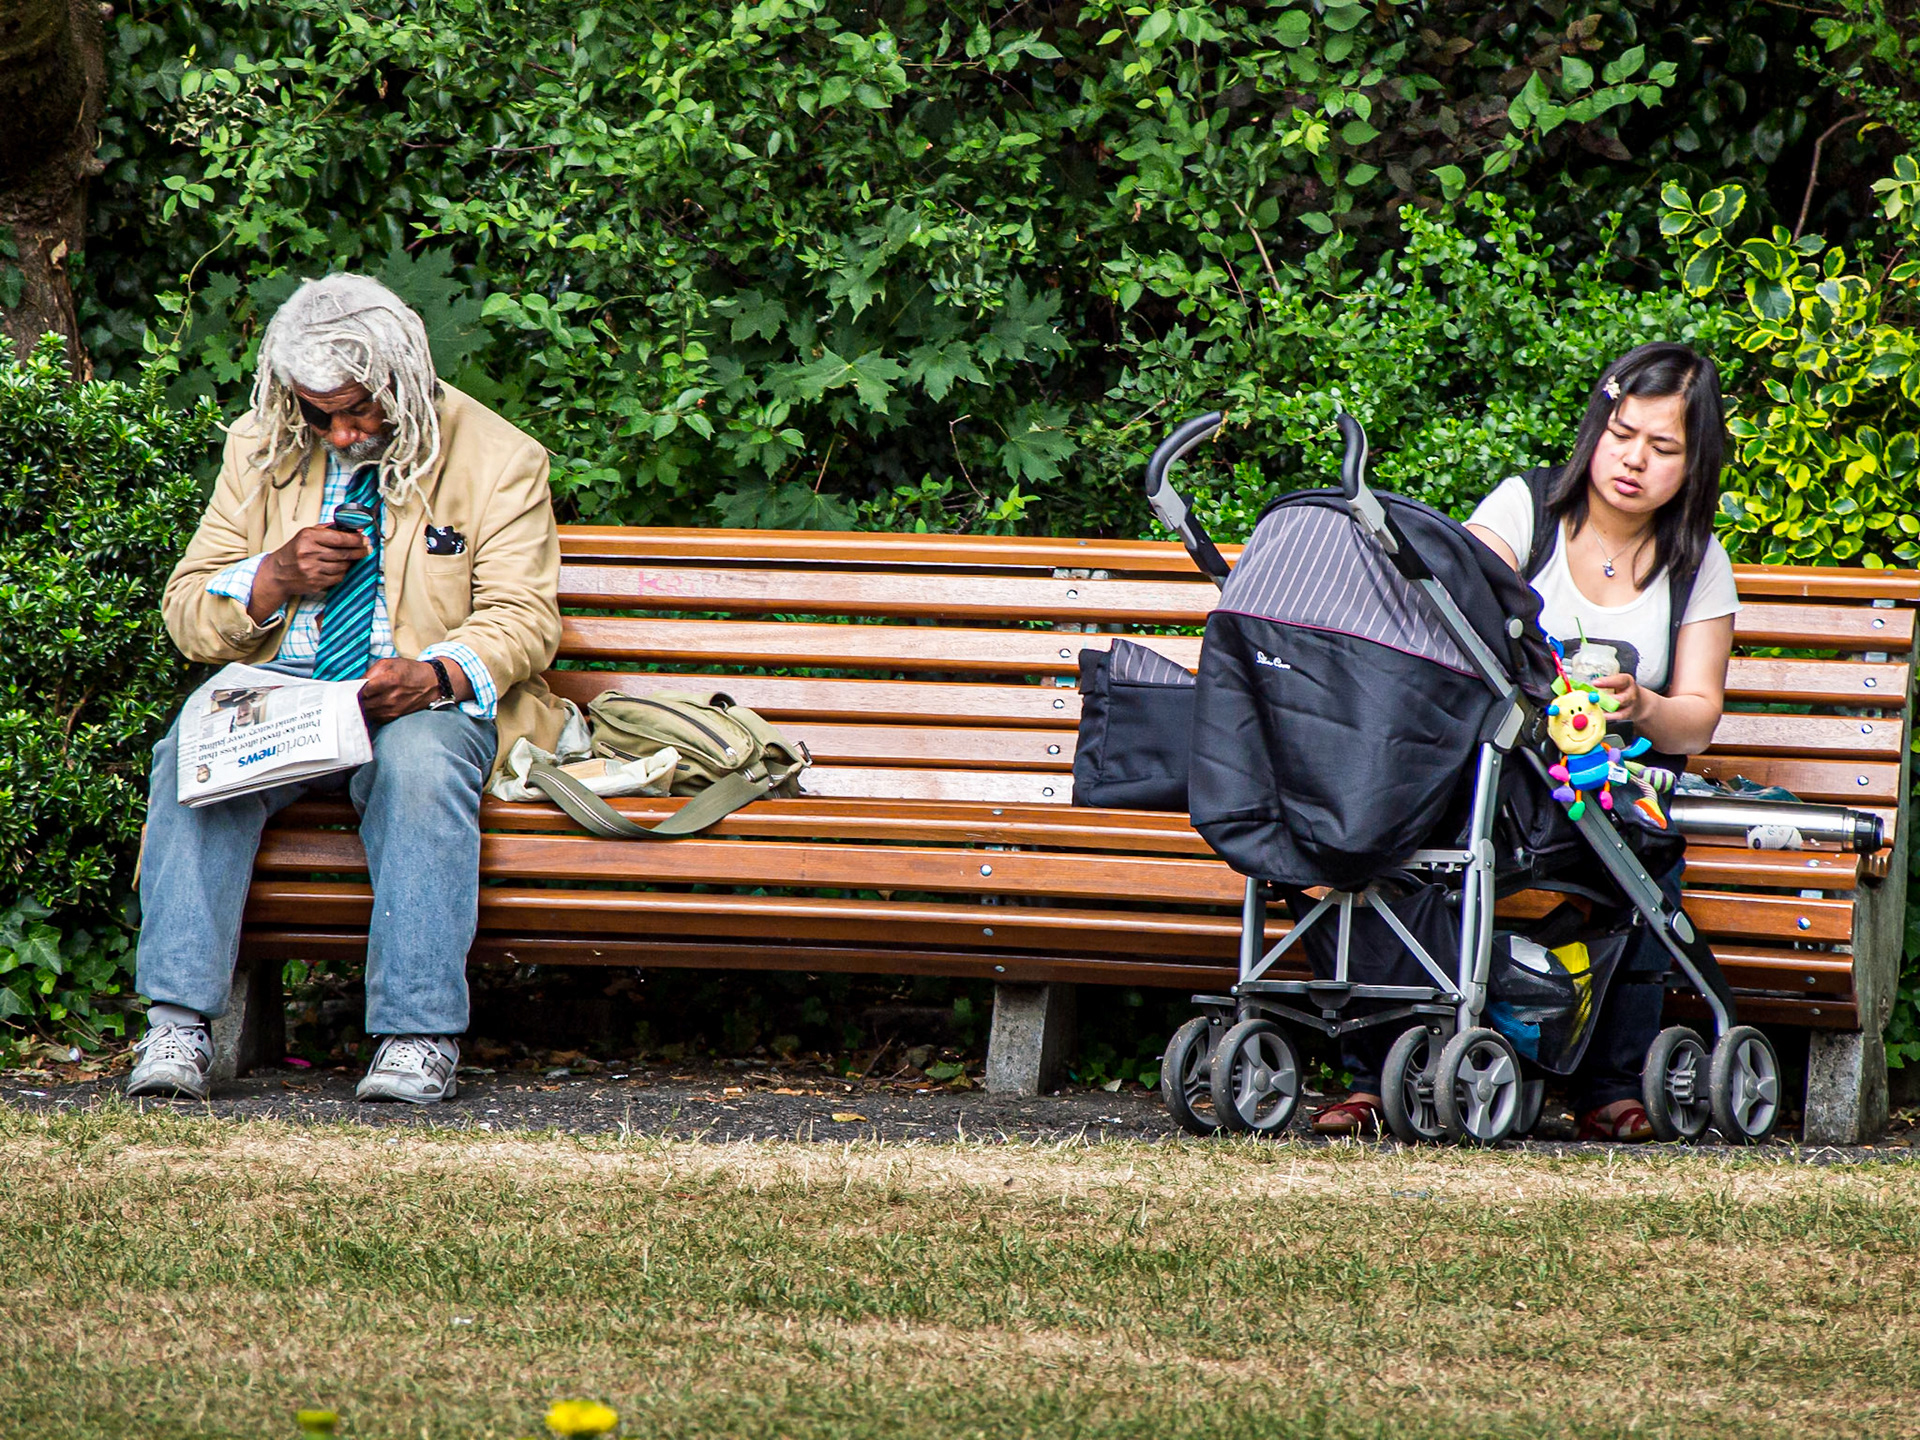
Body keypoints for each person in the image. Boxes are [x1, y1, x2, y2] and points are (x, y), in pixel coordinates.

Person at [127, 273, 571, 1104]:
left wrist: (436, 671)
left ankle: (416, 1037)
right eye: (317, 412)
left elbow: (523, 618)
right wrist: (269, 577)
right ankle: (178, 1025)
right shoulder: (259, 446)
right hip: (284, 686)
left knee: (419, 768)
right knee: (193, 747)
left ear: (404, 379)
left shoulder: (500, 457)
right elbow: (188, 612)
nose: (339, 432)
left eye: (358, 409)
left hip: (419, 695)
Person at [1312, 341, 1739, 1141]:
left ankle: (1608, 1084)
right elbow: (1447, 617)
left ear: (1695, 462)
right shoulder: (1525, 509)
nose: (1634, 460)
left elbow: (1699, 715)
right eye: (1622, 434)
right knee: (1386, 837)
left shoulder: (1697, 563)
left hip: (1605, 784)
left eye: (1663, 447)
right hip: (1487, 769)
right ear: (1596, 428)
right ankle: (1376, 1077)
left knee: (1644, 859)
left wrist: (1642, 703)